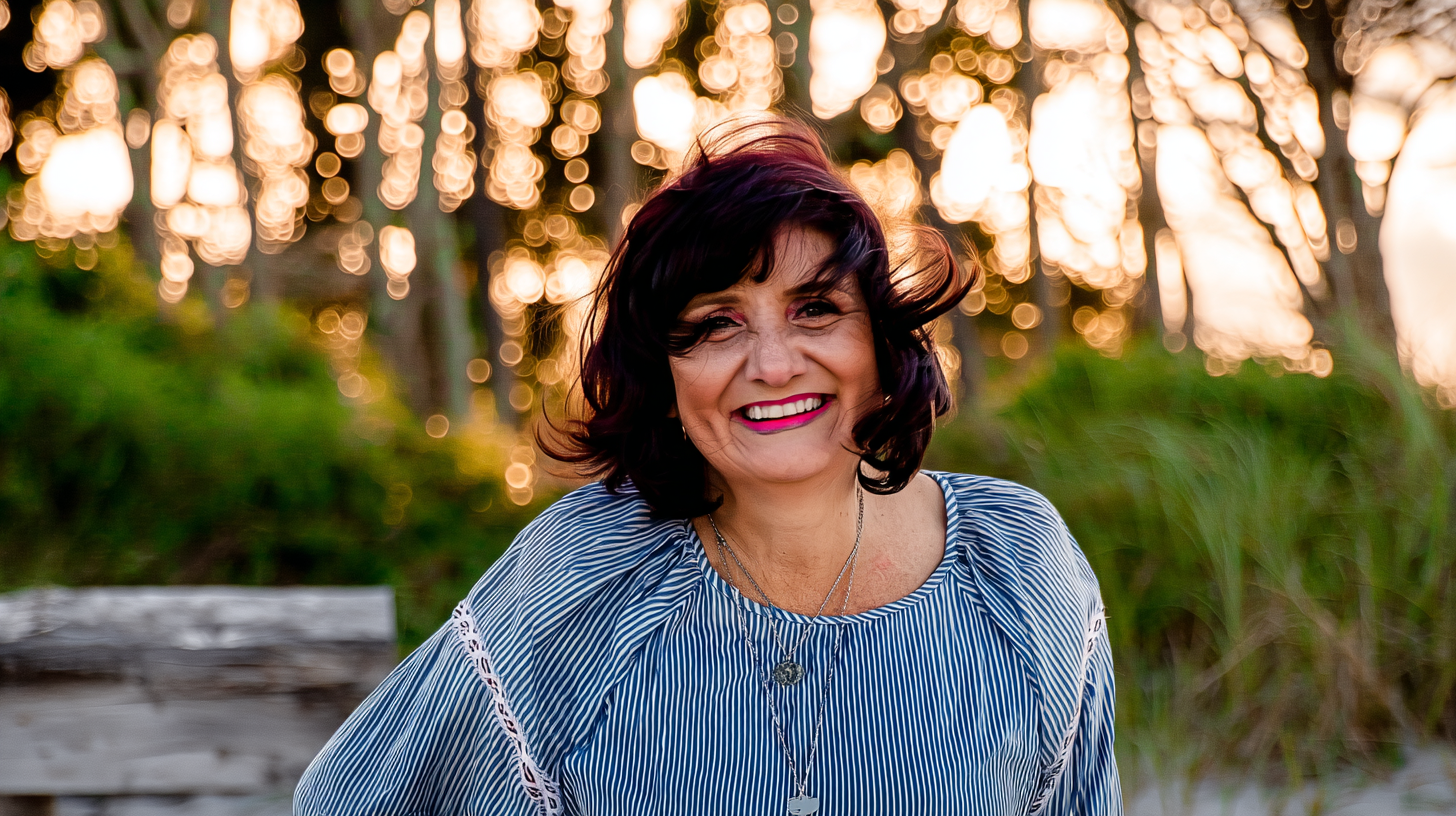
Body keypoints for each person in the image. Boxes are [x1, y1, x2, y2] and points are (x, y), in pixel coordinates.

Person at [295, 118, 1120, 815]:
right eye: (717, 323)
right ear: (664, 379)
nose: (774, 364)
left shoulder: (1016, 562)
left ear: (879, 343)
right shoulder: (583, 572)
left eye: (816, 309)